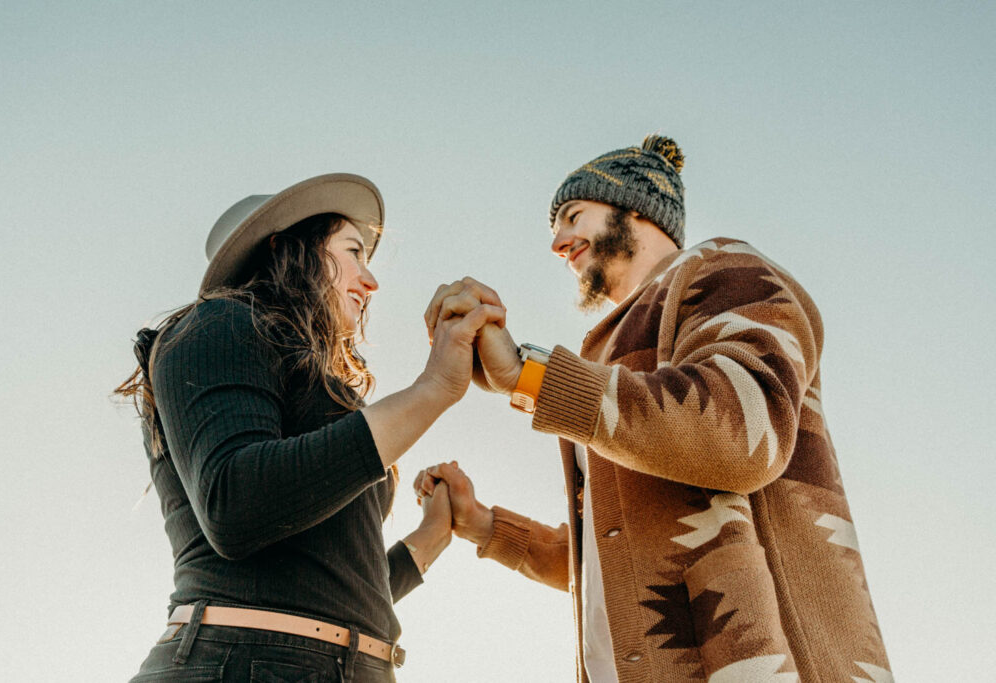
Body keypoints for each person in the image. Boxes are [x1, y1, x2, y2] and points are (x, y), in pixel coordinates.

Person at [416, 135, 892, 682]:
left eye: (573, 216)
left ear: (635, 208)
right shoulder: (608, 351)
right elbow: (616, 554)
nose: (559, 243)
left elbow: (742, 433)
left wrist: (529, 376)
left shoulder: (726, 270)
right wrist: (482, 525)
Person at [116, 173, 504, 682]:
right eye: (353, 251)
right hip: (240, 662)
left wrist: (434, 534)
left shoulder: (324, 388)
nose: (371, 281)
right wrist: (433, 389)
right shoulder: (216, 324)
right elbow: (236, 504)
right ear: (287, 250)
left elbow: (335, 588)